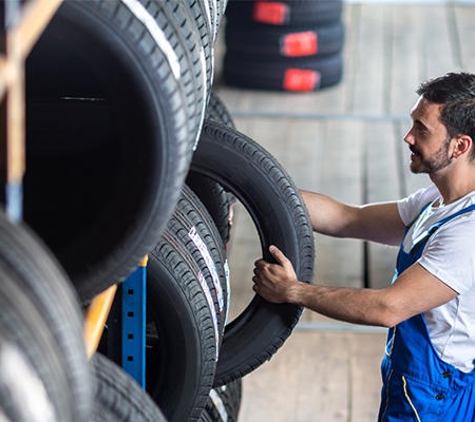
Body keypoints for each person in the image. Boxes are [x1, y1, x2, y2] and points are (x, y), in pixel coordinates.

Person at [252, 72, 475, 421]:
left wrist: (293, 291)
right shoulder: (437, 199)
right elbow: (348, 218)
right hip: (413, 380)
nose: (408, 137)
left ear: (460, 146)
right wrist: (255, 187)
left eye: (422, 130)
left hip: (435, 399)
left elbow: (388, 307)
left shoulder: (467, 233)